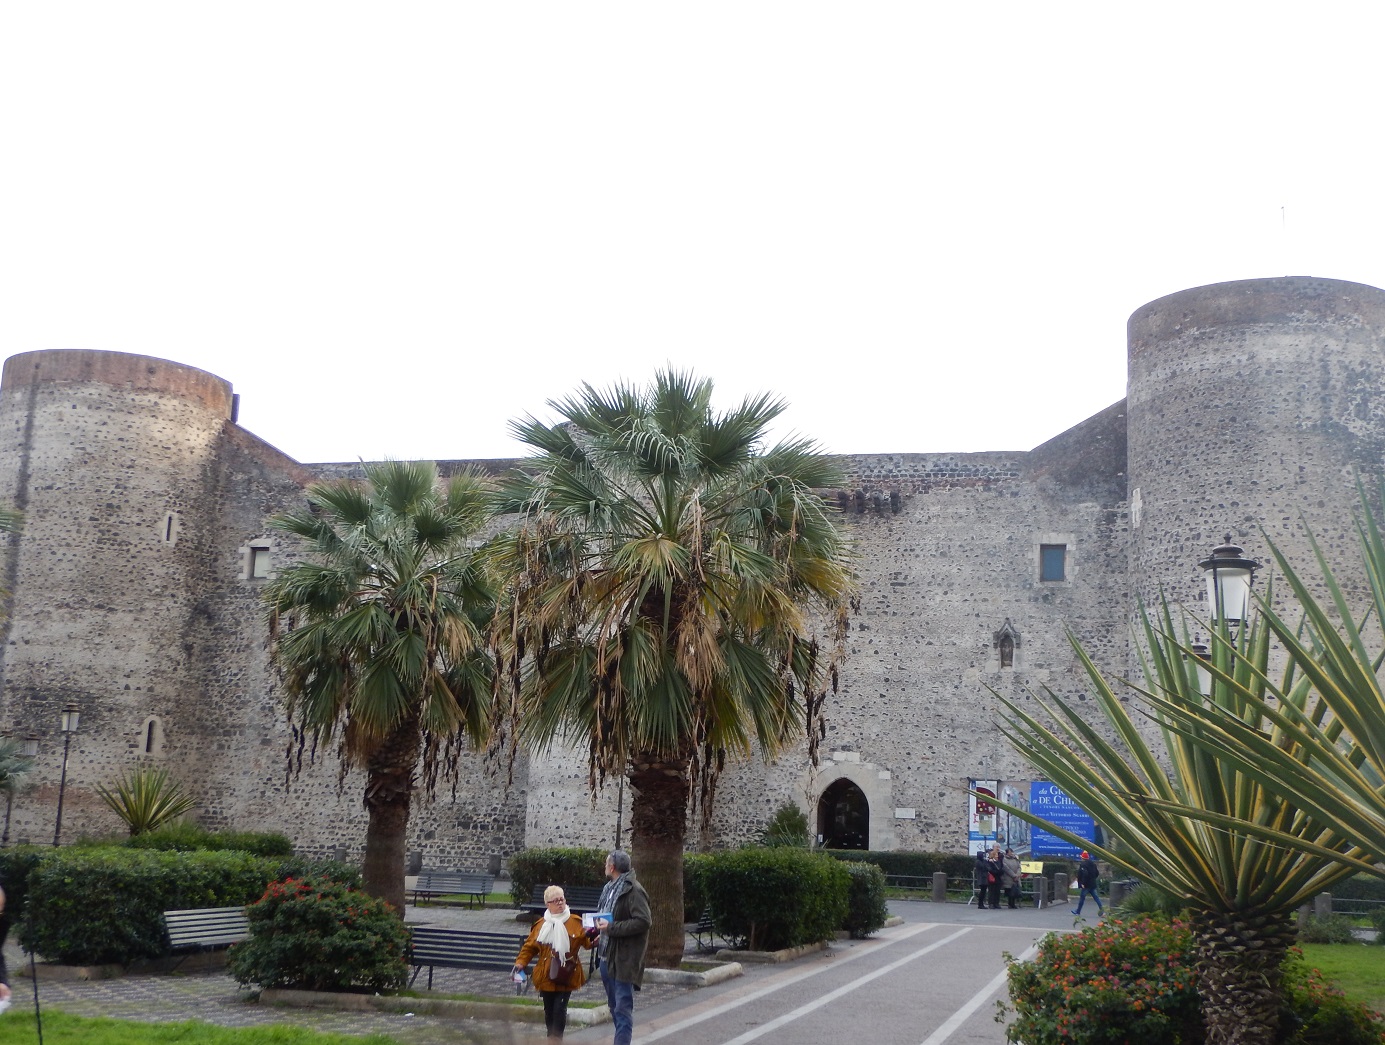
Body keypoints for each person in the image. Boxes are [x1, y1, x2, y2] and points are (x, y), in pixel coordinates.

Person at [513, 885, 594, 1043]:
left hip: (567, 974)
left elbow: (588, 942)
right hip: (546, 974)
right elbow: (529, 947)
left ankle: (556, 1040)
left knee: (559, 1009)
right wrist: (521, 963)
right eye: (555, 900)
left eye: (562, 899)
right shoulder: (541, 925)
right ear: (547, 904)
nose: (560, 903)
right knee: (549, 1010)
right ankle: (551, 1037)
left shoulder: (576, 922)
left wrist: (596, 936)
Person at [591, 850, 650, 1045]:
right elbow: (608, 917)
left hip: (624, 960)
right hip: (606, 957)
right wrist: (600, 934)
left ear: (612, 867)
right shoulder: (609, 887)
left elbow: (643, 921)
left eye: (606, 863)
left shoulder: (633, 890)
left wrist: (612, 928)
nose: (605, 866)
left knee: (622, 1009)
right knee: (614, 1006)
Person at [1072, 851, 1104, 917]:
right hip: (1092, 884)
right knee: (1096, 898)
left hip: (1086, 885)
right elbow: (1097, 873)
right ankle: (1102, 911)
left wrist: (1083, 883)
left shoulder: (1083, 865)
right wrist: (1093, 879)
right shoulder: (1093, 864)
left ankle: (1078, 911)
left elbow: (1084, 874)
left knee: (1082, 898)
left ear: (1082, 858)